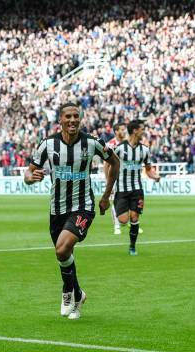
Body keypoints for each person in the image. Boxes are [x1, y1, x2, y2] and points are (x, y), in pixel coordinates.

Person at [24, 102, 120, 319]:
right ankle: (78, 293)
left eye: (76, 116)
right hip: (56, 209)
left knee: (62, 249)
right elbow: (28, 174)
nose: (72, 120)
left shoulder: (93, 143)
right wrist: (32, 178)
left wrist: (106, 196)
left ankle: (68, 293)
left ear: (80, 118)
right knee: (64, 253)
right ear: (60, 120)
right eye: (68, 116)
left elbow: (115, 163)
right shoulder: (47, 145)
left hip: (83, 207)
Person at [113, 119, 160, 255]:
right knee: (123, 220)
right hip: (121, 189)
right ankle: (122, 215)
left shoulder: (145, 150)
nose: (143, 131)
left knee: (135, 218)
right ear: (135, 130)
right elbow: (109, 163)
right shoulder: (120, 148)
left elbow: (148, 169)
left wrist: (155, 176)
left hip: (137, 189)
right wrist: (109, 180)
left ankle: (132, 246)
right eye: (142, 129)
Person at [105, 123, 127, 235]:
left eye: (125, 129)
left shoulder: (128, 143)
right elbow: (106, 164)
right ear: (116, 131)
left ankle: (130, 222)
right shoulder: (110, 145)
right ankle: (116, 226)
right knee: (113, 201)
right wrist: (108, 181)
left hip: (126, 178)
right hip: (114, 177)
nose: (124, 131)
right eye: (122, 129)